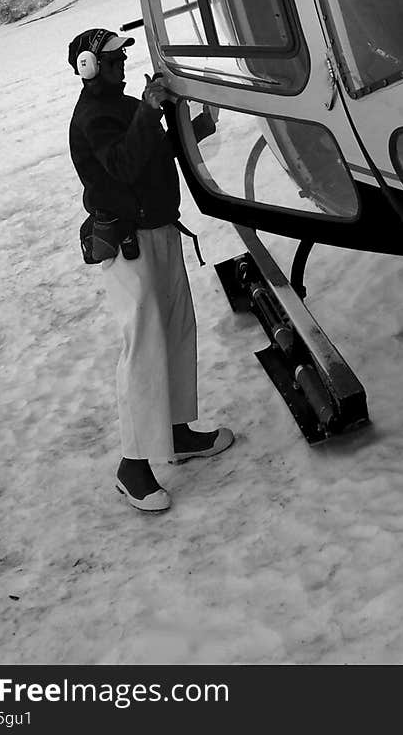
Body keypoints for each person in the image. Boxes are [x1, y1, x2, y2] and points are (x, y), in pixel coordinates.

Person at [67, 27, 234, 513]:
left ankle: (175, 431)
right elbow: (121, 164)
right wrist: (149, 109)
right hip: (129, 242)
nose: (121, 66)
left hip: (158, 230)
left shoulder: (121, 105)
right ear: (89, 66)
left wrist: (194, 124)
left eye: (122, 59)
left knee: (176, 330)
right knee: (143, 346)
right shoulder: (95, 115)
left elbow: (152, 152)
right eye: (112, 60)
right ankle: (133, 464)